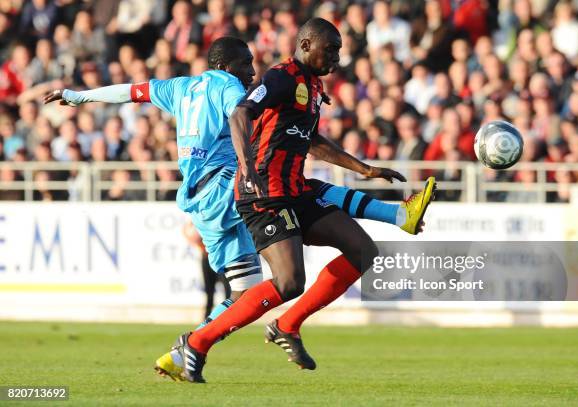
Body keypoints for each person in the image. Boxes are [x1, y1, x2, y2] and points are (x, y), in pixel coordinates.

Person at [43, 35, 435, 382]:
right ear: (225, 65)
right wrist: (251, 162)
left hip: (198, 202)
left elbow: (129, 91)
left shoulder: (177, 87)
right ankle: (398, 215)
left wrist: (78, 96)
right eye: (246, 63)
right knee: (302, 190)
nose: (251, 71)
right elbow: (244, 110)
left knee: (245, 290)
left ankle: (188, 351)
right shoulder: (228, 86)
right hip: (231, 187)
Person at [176, 19, 436, 383]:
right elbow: (240, 114)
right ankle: (197, 343)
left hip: (293, 190)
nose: (337, 56)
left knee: (362, 251)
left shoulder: (311, 87)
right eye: (331, 48)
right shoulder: (281, 77)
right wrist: (247, 165)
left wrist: (365, 169)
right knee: (288, 282)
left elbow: (313, 140)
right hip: (263, 193)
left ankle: (287, 325)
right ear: (307, 44)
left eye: (339, 49)